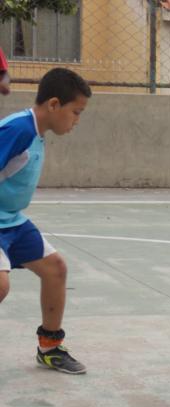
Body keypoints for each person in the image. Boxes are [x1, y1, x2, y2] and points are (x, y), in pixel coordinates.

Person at [0, 68, 91, 374]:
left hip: (11, 221)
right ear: (54, 105)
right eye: (76, 112)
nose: (77, 120)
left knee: (55, 269)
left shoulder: (35, 132)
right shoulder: (19, 130)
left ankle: (50, 348)